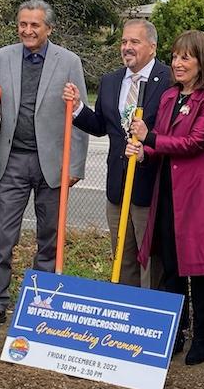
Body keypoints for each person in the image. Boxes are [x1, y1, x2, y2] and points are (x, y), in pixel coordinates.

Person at [0, 0, 89, 332]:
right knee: (1, 235)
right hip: (12, 160)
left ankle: (41, 305)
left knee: (50, 237)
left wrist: (76, 166)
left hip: (52, 162)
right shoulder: (3, 56)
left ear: (48, 28)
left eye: (35, 25)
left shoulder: (68, 61)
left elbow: (80, 114)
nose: (27, 30)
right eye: (23, 24)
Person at [126, 30, 204, 366]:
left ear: (202, 61)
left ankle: (203, 337)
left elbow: (195, 143)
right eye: (176, 56)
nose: (178, 63)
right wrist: (145, 153)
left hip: (196, 196)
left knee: (198, 269)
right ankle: (176, 331)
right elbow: (162, 145)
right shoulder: (170, 96)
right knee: (171, 266)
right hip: (166, 192)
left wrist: (150, 136)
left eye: (187, 57)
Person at [62, 19, 171, 288]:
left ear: (152, 47)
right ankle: (125, 313)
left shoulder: (169, 80)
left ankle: (149, 315)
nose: (127, 47)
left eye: (134, 42)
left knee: (151, 259)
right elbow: (101, 126)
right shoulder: (111, 81)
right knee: (123, 256)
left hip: (151, 186)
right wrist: (77, 108)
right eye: (124, 41)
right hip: (118, 187)